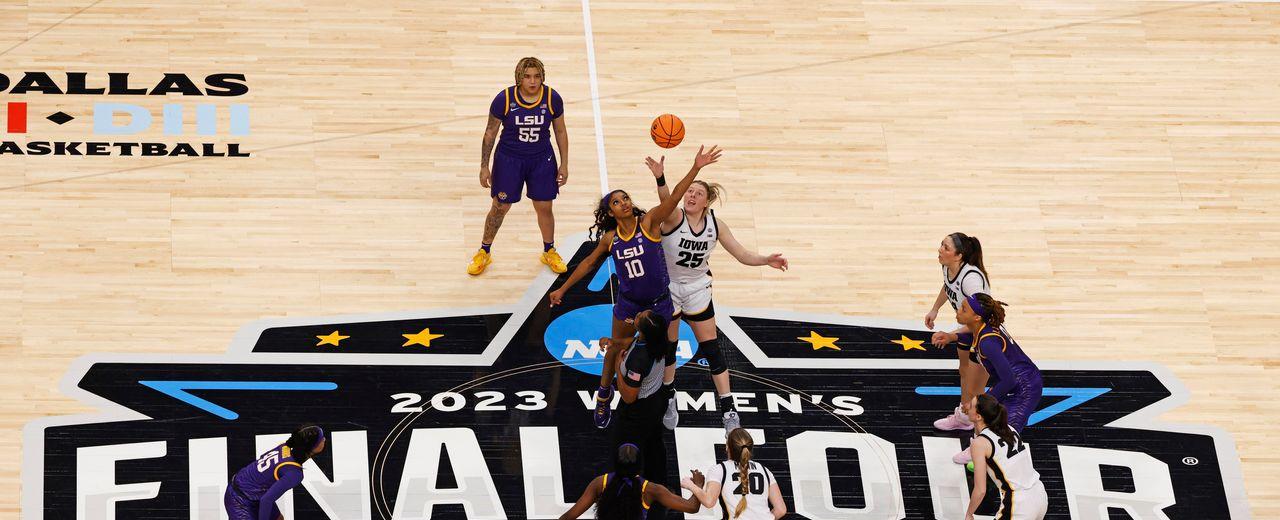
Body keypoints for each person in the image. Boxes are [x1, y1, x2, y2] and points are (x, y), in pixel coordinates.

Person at [549, 145, 723, 428]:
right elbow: (588, 264)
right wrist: (563, 289)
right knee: (615, 348)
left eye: (626, 197)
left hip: (659, 303)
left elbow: (676, 196)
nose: (624, 203)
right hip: (630, 304)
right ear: (610, 211)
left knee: (663, 351)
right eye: (617, 202)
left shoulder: (650, 222)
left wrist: (696, 167)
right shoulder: (610, 239)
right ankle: (604, 395)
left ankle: (663, 397)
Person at [647, 156, 788, 432]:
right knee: (669, 348)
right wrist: (660, 178)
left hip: (698, 287)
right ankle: (669, 396)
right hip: (669, 288)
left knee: (711, 349)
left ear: (706, 202)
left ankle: (728, 410)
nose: (691, 195)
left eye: (698, 193)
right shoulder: (674, 216)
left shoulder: (716, 225)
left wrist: (765, 259)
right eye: (689, 191)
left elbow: (742, 254)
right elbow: (667, 199)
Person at [469, 56, 570, 276]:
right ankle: (484, 251)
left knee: (544, 207)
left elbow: (560, 131)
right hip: (509, 160)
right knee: (500, 207)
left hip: (541, 159)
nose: (533, 81)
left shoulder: (552, 98)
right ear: (519, 78)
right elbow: (490, 133)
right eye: (527, 77)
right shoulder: (504, 99)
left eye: (537, 76)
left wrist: (564, 164)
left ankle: (549, 250)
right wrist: (484, 166)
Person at [934, 293, 1043, 464]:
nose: (959, 311)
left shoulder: (988, 343)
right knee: (984, 414)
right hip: (1019, 380)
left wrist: (980, 402)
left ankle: (986, 458)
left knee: (1005, 435)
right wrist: (952, 337)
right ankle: (978, 446)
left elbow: (1009, 381)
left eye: (964, 309)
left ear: (976, 317)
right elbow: (972, 335)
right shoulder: (983, 327)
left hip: (1025, 388)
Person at [925, 232, 990, 432]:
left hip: (984, 335)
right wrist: (935, 309)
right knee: (964, 372)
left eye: (945, 247)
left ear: (958, 255)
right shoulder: (948, 267)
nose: (940, 250)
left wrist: (952, 335)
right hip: (968, 330)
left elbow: (982, 318)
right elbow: (948, 287)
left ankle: (980, 440)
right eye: (941, 245)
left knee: (976, 389)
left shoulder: (971, 280)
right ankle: (963, 418)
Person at [560, 443, 702, 520]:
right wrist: (698, 485)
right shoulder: (651, 490)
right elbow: (692, 507)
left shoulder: (599, 483)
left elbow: (567, 517)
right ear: (640, 466)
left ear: (615, 463)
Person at [965, 394, 1049, 520]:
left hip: (1019, 504)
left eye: (970, 406)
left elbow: (980, 490)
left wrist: (969, 513)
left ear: (978, 416)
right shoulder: (1009, 428)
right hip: (1040, 494)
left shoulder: (979, 444)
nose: (967, 407)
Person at [681, 427, 787, 519]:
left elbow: (709, 502)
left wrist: (691, 485)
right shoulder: (764, 470)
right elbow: (781, 510)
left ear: (727, 447)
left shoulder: (720, 469)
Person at [224, 425, 327, 520]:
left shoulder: (284, 447)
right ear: (312, 447)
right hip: (238, 500)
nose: (324, 439)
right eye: (321, 439)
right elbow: (266, 500)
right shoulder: (295, 473)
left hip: (251, 489)